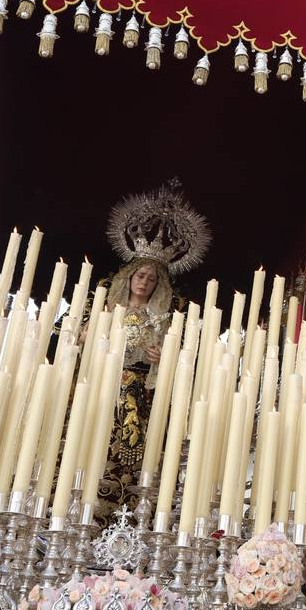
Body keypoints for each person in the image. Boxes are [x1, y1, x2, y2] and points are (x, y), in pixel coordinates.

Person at [86, 178, 211, 522]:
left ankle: (131, 511)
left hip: (142, 396)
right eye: (140, 275)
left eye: (152, 279)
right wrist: (90, 338)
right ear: (129, 277)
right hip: (103, 389)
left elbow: (182, 362)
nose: (144, 282)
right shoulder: (105, 310)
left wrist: (163, 360)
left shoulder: (163, 320)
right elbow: (79, 347)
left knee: (138, 455)